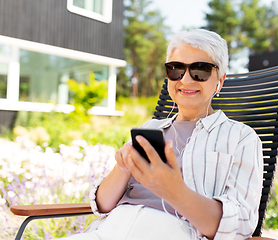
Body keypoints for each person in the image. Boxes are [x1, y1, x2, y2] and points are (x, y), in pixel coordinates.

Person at [60, 29, 263, 240]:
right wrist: (122, 169)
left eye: (200, 70)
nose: (185, 80)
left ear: (220, 80)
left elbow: (241, 224)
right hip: (108, 231)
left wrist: (176, 191)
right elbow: (102, 205)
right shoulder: (151, 128)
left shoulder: (240, 138)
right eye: (176, 69)